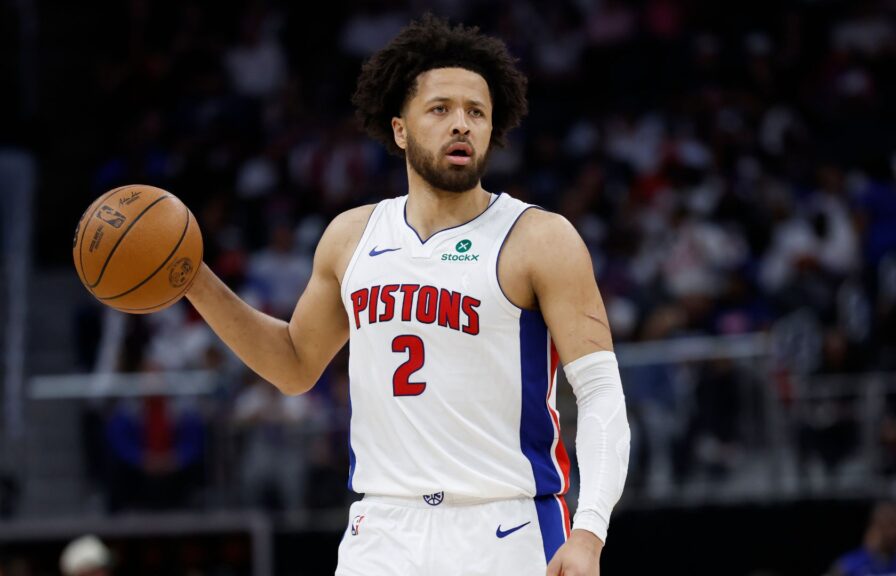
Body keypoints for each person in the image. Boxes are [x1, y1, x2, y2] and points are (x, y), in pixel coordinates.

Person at [184, 14, 630, 576]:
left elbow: (600, 395)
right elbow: (294, 365)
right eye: (440, 109)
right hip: (381, 530)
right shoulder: (351, 236)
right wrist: (194, 279)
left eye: (476, 113)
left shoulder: (540, 239)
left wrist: (589, 532)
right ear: (400, 129)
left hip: (504, 528)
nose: (461, 125)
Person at [827, 501, 896, 576]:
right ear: (873, 527)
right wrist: (868, 554)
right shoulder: (854, 562)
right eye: (883, 525)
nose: (889, 532)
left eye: (893, 525)